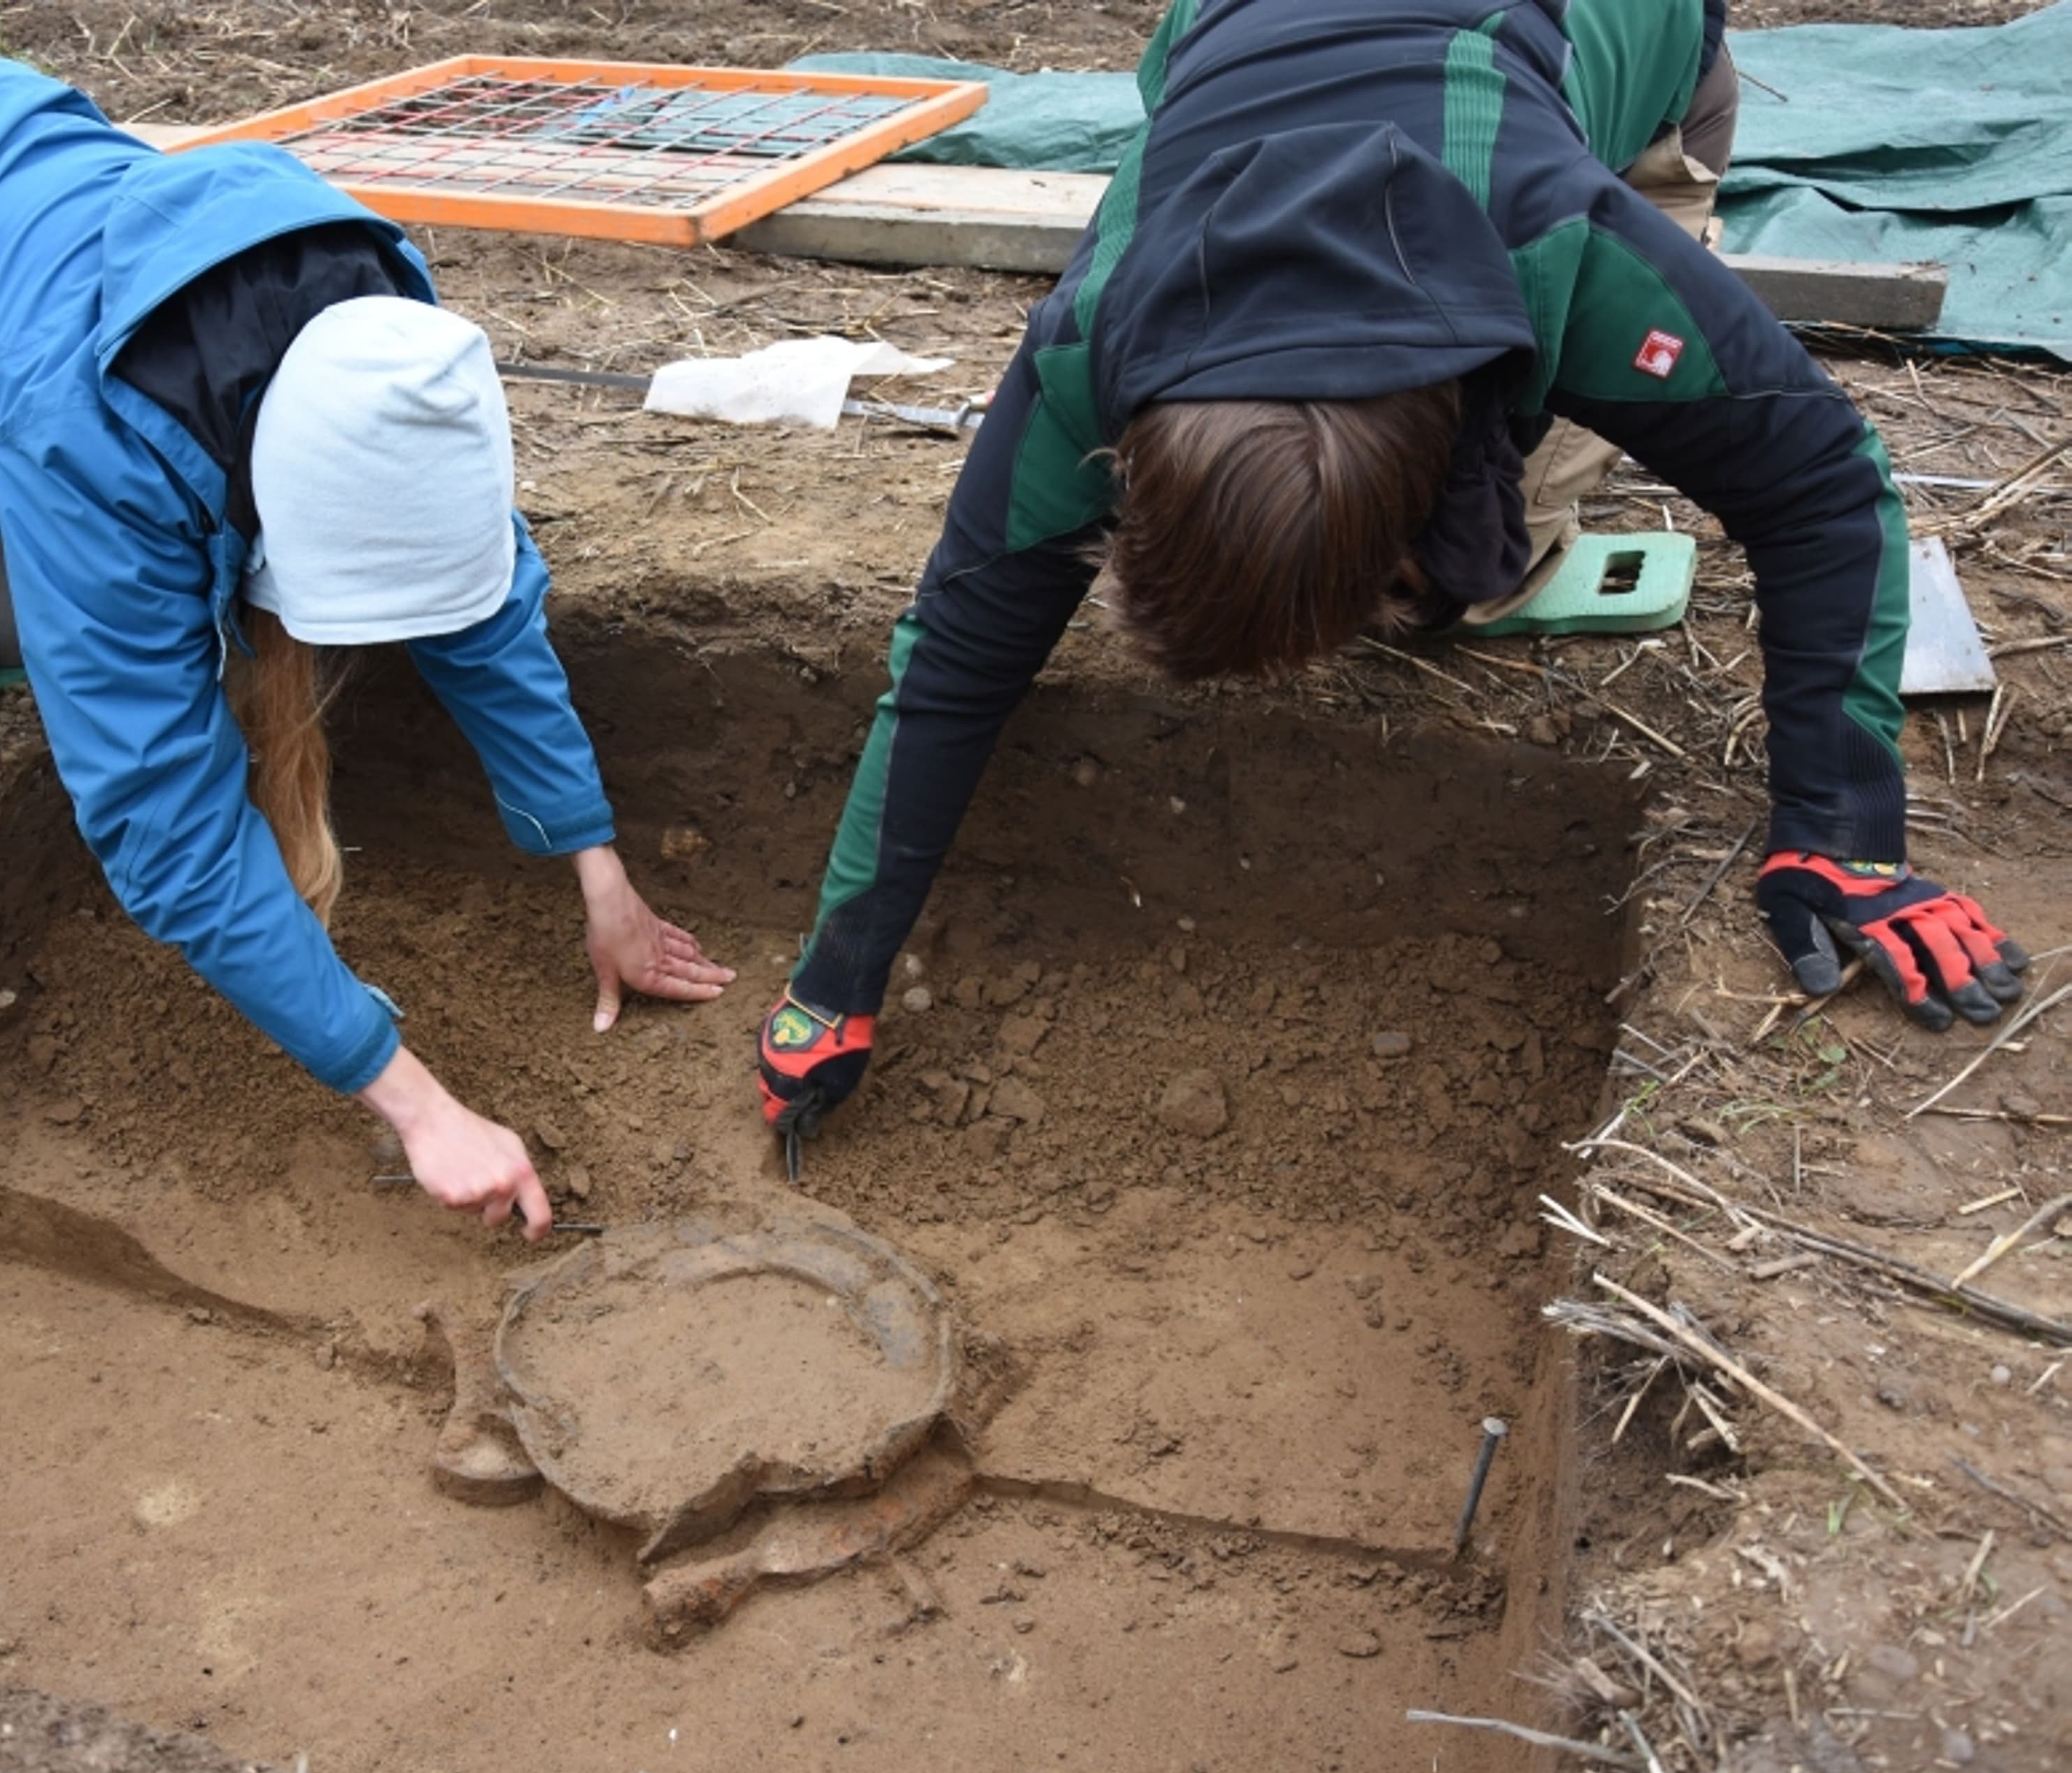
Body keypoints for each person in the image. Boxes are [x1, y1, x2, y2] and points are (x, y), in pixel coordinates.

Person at [757, 0, 2029, 1149]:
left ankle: (1475, 517)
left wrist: (1841, 830)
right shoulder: (1094, 339)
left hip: (1624, 53)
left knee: (1497, 564)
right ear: (1124, 461)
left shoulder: (1574, 253)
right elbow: (958, 664)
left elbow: (1822, 487)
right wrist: (836, 979)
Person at [0, 13, 733, 1240]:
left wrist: (593, 861)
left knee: (29, 623)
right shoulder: (92, 447)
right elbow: (163, 827)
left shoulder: (383, 343)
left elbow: (473, 594)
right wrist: (415, 1102)